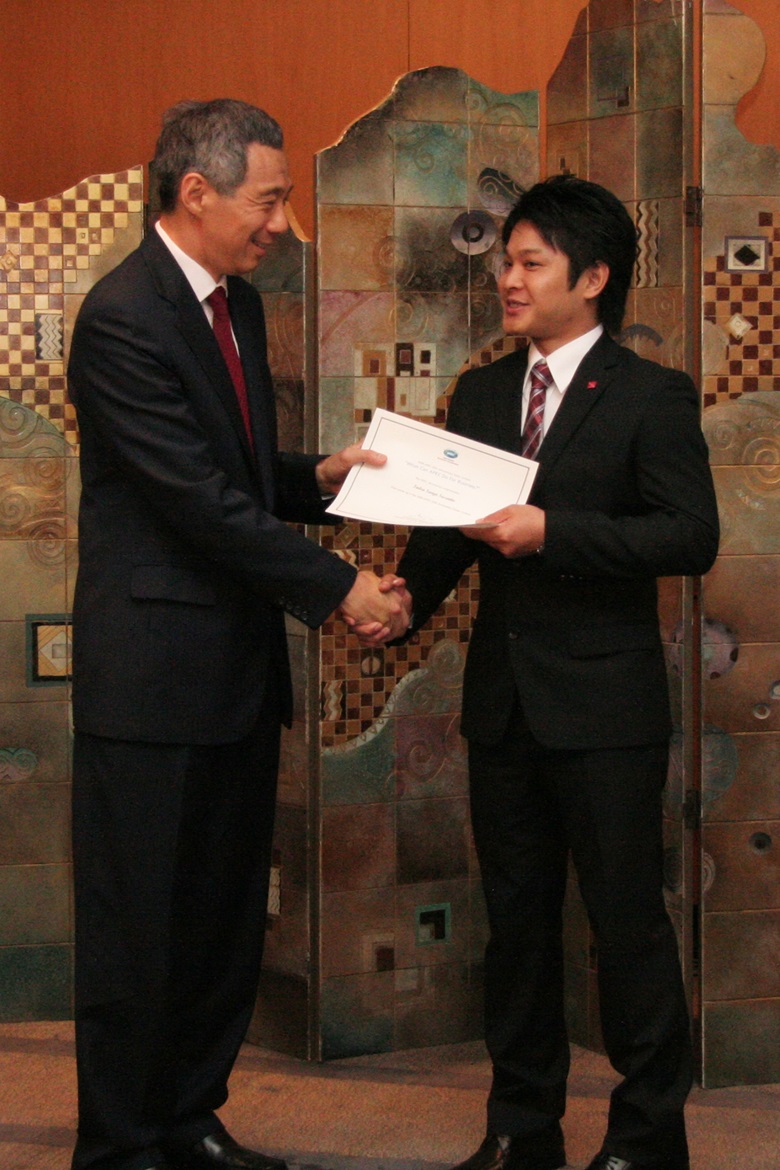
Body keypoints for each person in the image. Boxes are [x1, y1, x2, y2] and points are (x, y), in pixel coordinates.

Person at [67, 98, 407, 1170]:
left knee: (218, 923)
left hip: (233, 675)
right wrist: (339, 587)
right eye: (268, 198)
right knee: (139, 936)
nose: (280, 221)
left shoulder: (238, 309)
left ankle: (188, 1119)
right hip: (152, 682)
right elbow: (191, 500)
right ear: (197, 191)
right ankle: (121, 1147)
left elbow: (233, 473)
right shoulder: (123, 315)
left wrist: (315, 477)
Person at [381, 176, 720, 1170]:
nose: (508, 280)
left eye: (530, 263)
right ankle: (520, 1131)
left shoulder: (652, 395)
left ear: (596, 276)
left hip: (605, 709)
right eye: (506, 262)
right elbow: (451, 526)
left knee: (625, 928)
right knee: (516, 931)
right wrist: (399, 600)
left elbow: (690, 535)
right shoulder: (484, 391)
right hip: (503, 707)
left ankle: (648, 1139)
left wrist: (554, 532)